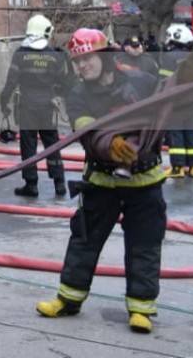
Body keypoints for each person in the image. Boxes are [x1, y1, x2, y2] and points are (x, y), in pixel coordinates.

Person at [37, 28, 166, 334]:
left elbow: (168, 106)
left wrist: (187, 78)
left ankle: (141, 309)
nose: (81, 66)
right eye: (77, 61)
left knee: (144, 244)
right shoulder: (77, 94)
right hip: (101, 181)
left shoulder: (141, 82)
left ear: (105, 56)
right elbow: (87, 131)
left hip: (144, 182)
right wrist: (110, 145)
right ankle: (69, 299)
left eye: (87, 58)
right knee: (84, 240)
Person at [0, 14, 71, 197]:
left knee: (28, 145)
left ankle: (31, 185)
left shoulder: (20, 54)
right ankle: (59, 183)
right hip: (48, 105)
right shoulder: (55, 56)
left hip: (27, 105)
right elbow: (64, 83)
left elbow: (10, 82)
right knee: (52, 143)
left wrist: (4, 103)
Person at [160, 23, 193, 177]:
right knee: (191, 132)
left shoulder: (169, 57)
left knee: (175, 132)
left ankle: (178, 167)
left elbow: (164, 81)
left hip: (176, 101)